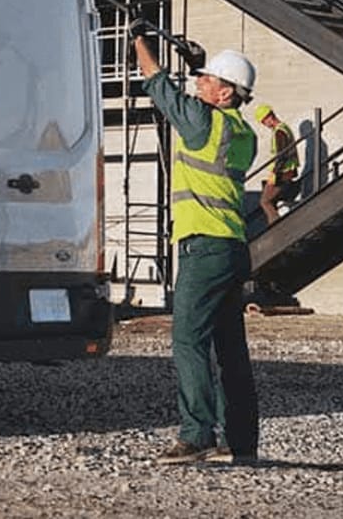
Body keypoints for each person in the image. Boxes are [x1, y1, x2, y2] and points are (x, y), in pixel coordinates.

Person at [132, 33, 260, 466]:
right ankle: (238, 443)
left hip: (203, 248)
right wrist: (195, 64)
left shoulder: (203, 122)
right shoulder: (242, 131)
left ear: (224, 91)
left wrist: (138, 38)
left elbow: (156, 83)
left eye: (206, 79)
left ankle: (197, 435)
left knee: (187, 339)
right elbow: (192, 99)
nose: (198, 83)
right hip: (232, 249)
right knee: (230, 351)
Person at [255, 104, 300, 225]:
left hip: (282, 174)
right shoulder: (284, 128)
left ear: (269, 117)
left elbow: (282, 155)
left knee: (265, 201)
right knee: (271, 200)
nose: (265, 124)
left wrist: (274, 174)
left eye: (264, 121)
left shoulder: (279, 132)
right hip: (287, 173)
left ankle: (276, 227)